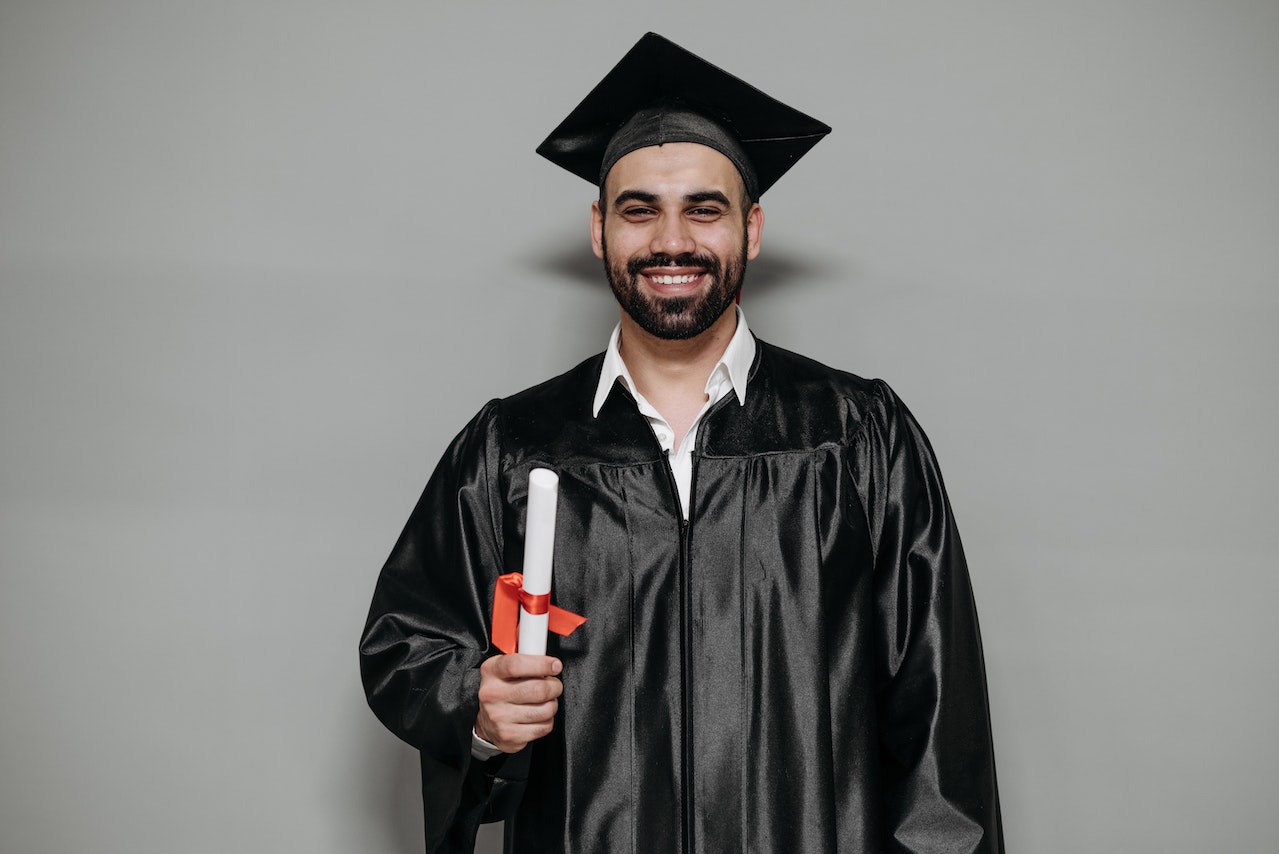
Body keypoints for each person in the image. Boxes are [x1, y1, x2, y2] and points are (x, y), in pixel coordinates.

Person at [361, 32, 1003, 854]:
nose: (672, 241)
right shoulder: (513, 447)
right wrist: (476, 710)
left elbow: (936, 709)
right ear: (599, 230)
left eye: (704, 208)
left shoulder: (855, 435)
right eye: (639, 210)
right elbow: (407, 641)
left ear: (752, 228)